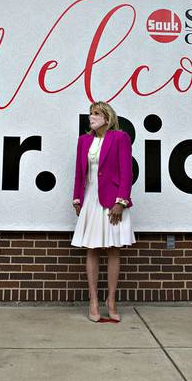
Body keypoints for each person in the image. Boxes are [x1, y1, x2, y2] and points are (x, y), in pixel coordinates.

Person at [71, 101, 135, 322]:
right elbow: (80, 172)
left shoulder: (120, 138)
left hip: (112, 199)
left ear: (107, 118)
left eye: (96, 114)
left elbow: (127, 171)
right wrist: (77, 197)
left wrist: (121, 201)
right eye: (90, 113)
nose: (92, 117)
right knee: (92, 248)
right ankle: (93, 301)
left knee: (113, 249)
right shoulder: (83, 141)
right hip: (90, 198)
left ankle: (112, 300)